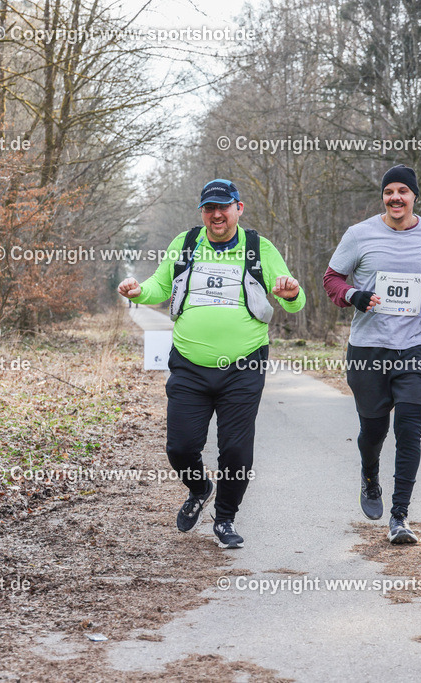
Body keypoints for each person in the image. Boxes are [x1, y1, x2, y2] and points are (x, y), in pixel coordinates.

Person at [117, 179, 303, 549]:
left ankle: (225, 518)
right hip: (189, 364)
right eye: (209, 208)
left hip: (243, 366)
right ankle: (200, 487)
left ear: (239, 208)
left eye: (224, 206)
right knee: (180, 448)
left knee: (235, 449)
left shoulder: (258, 249)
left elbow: (293, 302)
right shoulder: (185, 244)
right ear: (202, 212)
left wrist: (292, 293)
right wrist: (138, 291)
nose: (216, 214)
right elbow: (159, 287)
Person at [323, 165, 421, 544]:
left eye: (403, 191)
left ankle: (400, 516)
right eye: (389, 192)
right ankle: (370, 476)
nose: (395, 197)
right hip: (369, 349)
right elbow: (332, 279)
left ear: (415, 196)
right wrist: (356, 295)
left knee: (408, 430)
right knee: (373, 430)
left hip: (418, 346)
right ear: (383, 197)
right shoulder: (359, 234)